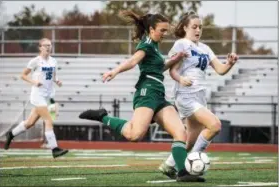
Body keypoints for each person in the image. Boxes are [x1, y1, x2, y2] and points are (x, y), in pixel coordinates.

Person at [79, 11, 204, 182]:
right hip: (146, 92)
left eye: (166, 30)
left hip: (159, 95)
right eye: (162, 30)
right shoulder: (145, 45)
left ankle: (182, 172)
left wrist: (177, 58)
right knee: (134, 135)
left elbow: (159, 68)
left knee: (180, 132)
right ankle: (104, 117)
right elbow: (133, 61)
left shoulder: (154, 46)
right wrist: (114, 71)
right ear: (151, 29)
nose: (164, 34)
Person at [158, 11, 238, 178]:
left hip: (200, 97)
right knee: (215, 125)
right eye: (194, 26)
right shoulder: (181, 44)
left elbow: (221, 70)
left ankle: (168, 165)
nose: (198, 30)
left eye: (200, 27)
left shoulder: (205, 48)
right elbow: (171, 70)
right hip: (186, 96)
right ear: (185, 27)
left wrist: (229, 63)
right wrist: (181, 79)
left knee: (190, 141)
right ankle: (190, 166)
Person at [4, 38, 69, 158]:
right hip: (38, 95)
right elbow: (23, 75)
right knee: (49, 120)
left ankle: (11, 134)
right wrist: (34, 82)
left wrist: (58, 81)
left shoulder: (54, 61)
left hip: (50, 95)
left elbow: (54, 77)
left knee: (30, 123)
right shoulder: (35, 61)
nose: (48, 47)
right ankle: (54, 148)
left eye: (50, 45)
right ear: (40, 47)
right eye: (45, 45)